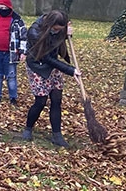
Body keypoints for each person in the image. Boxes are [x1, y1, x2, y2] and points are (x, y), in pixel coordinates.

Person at [21, 10, 81, 147]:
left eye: (59, 29)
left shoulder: (58, 28)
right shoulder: (34, 33)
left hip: (53, 65)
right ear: (49, 25)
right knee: (41, 101)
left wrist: (66, 33)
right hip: (38, 66)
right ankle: (28, 128)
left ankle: (57, 135)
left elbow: (56, 41)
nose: (57, 31)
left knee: (56, 99)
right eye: (55, 29)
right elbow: (46, 57)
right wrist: (70, 70)